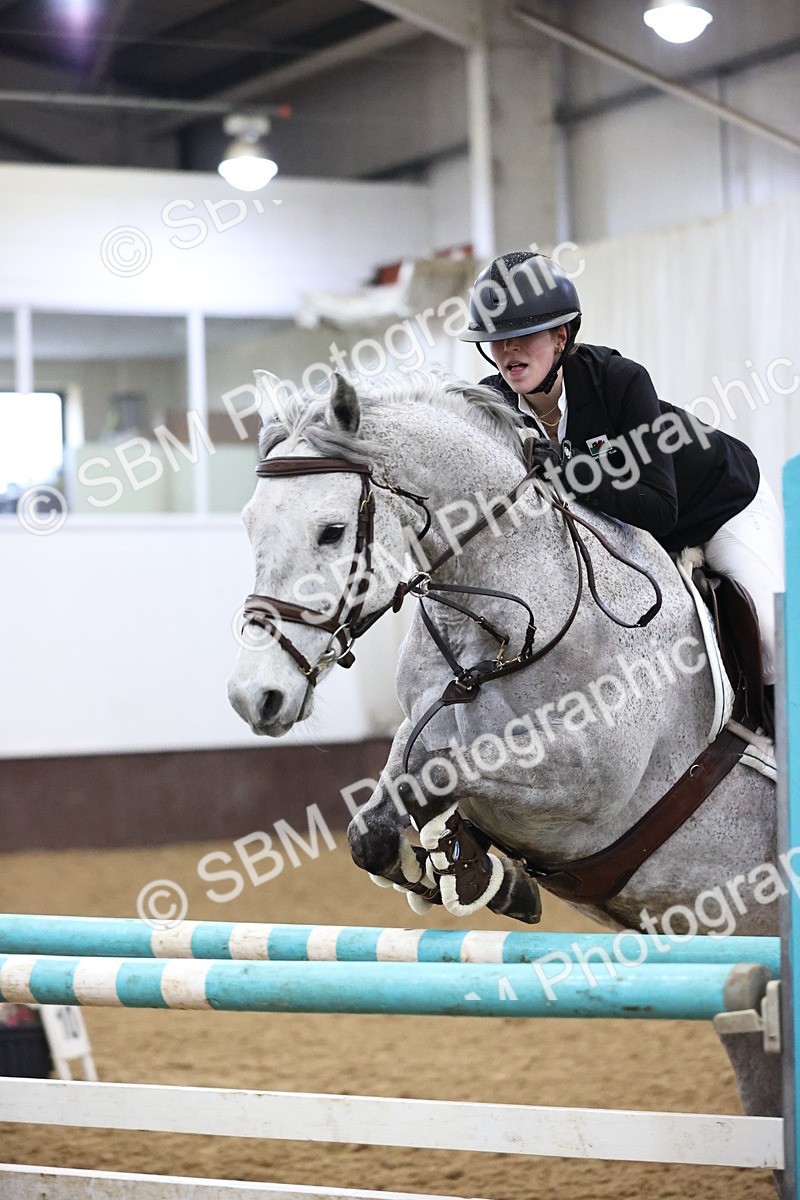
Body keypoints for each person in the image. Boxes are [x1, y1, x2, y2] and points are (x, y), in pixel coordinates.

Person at [459, 250, 785, 687]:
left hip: (722, 504)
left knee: (770, 640)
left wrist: (571, 473)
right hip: (637, 533)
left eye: (525, 334)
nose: (507, 349)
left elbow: (660, 510)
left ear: (560, 337)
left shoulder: (620, 380)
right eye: (496, 338)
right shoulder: (494, 406)